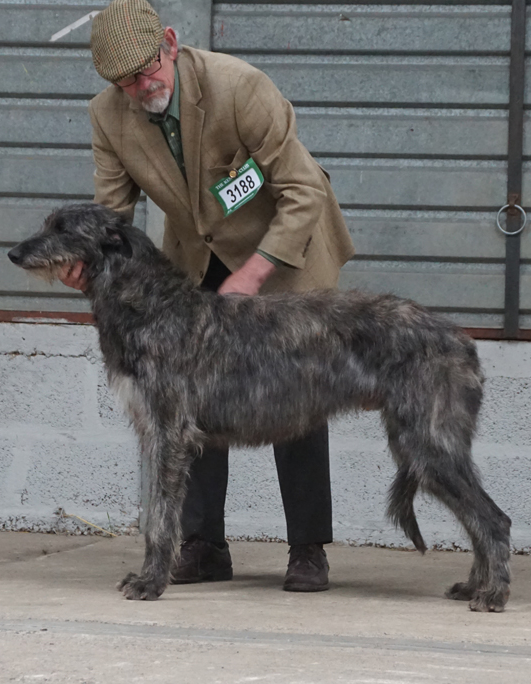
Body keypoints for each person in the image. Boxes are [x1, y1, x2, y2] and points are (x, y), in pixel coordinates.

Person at [61, 0, 355, 591]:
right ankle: (201, 545)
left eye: (147, 72)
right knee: (184, 393)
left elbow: (302, 191)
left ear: (169, 42)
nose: (140, 88)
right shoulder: (107, 115)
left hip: (285, 247)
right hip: (196, 257)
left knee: (292, 391)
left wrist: (254, 273)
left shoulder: (239, 86)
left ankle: (307, 549)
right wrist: (86, 263)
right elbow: (112, 214)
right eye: (124, 83)